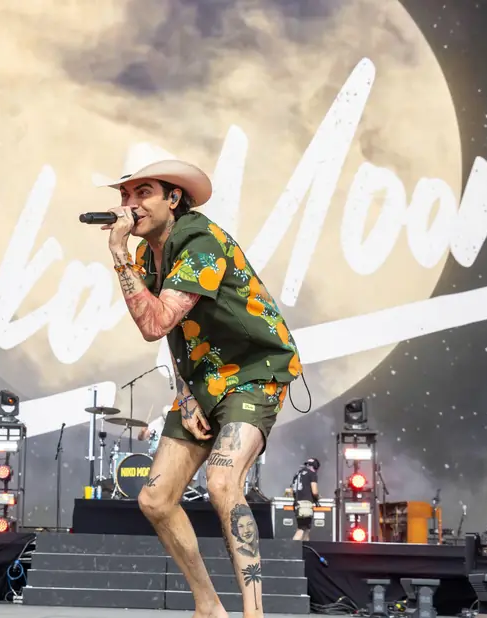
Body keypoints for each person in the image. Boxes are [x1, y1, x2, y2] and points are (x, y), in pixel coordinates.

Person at [98, 156, 301, 618]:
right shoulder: (150, 254)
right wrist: (187, 395)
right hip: (204, 381)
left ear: (173, 198)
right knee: (154, 498)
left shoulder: (201, 242)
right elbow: (170, 332)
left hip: (255, 371)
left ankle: (254, 614)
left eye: (142, 192)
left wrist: (115, 253)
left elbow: (156, 322)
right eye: (125, 196)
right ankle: (209, 605)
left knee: (223, 481)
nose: (131, 205)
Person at [290, 458, 320, 540]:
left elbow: (292, 490)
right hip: (305, 504)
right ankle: (292, 549)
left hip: (297, 504)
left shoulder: (297, 474)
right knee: (302, 529)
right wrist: (318, 497)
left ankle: (305, 549)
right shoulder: (312, 474)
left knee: (306, 529)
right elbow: (314, 491)